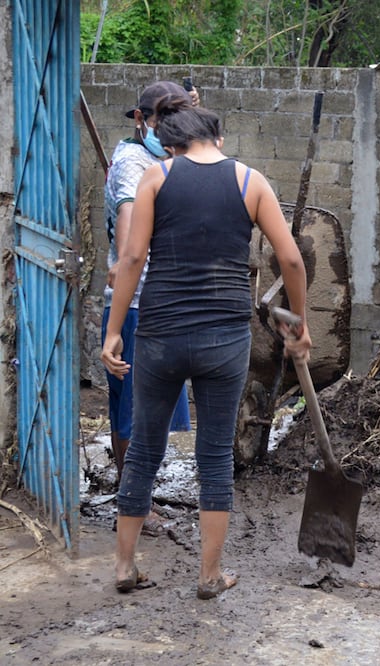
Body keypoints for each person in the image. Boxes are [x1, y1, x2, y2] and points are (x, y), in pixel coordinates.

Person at [100, 90, 312, 599]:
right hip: (224, 339)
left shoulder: (156, 177)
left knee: (145, 450)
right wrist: (298, 323)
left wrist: (113, 330)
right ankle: (209, 575)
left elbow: (130, 261)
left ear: (169, 143)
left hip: (159, 335)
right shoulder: (249, 180)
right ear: (218, 138)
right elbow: (293, 260)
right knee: (214, 455)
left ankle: (126, 567)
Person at [103, 80, 196, 536]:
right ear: (141, 119)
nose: (170, 131)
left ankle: (131, 498)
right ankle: (135, 505)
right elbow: (128, 244)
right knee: (143, 413)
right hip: (142, 305)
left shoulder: (158, 157)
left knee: (133, 409)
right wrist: (124, 272)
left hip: (145, 304)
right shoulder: (134, 165)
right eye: (163, 120)